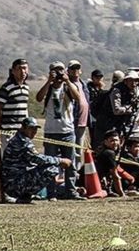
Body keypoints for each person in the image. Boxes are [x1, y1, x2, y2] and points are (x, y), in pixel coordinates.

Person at [36, 61, 83, 200]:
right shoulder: (49, 88)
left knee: (70, 164)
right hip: (51, 131)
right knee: (50, 164)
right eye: (55, 71)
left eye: (61, 70)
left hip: (67, 131)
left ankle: (71, 191)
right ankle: (51, 193)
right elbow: (38, 98)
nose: (58, 74)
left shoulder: (69, 87)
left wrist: (67, 81)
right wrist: (48, 81)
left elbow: (78, 98)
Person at [2, 117, 72, 204]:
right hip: (14, 184)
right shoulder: (22, 142)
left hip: (14, 181)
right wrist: (60, 160)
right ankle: (25, 196)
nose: (34, 131)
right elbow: (37, 158)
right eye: (31, 128)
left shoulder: (20, 138)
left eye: (35, 129)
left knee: (46, 167)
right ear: (23, 128)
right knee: (52, 169)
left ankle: (25, 196)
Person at [93, 71, 139, 148]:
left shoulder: (132, 92)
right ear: (125, 81)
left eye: (136, 81)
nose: (133, 83)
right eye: (131, 80)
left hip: (117, 125)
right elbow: (117, 110)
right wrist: (129, 108)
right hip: (105, 125)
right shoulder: (117, 90)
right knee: (103, 148)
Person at [0, 58, 30, 152]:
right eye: (19, 69)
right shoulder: (7, 87)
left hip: (21, 131)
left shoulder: (26, 87)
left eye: (24, 68)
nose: (23, 71)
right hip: (8, 131)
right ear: (13, 71)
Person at [93, 129, 125, 197]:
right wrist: (122, 194)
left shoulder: (101, 150)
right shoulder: (109, 153)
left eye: (116, 140)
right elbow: (115, 175)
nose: (115, 143)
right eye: (112, 141)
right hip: (93, 182)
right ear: (105, 142)